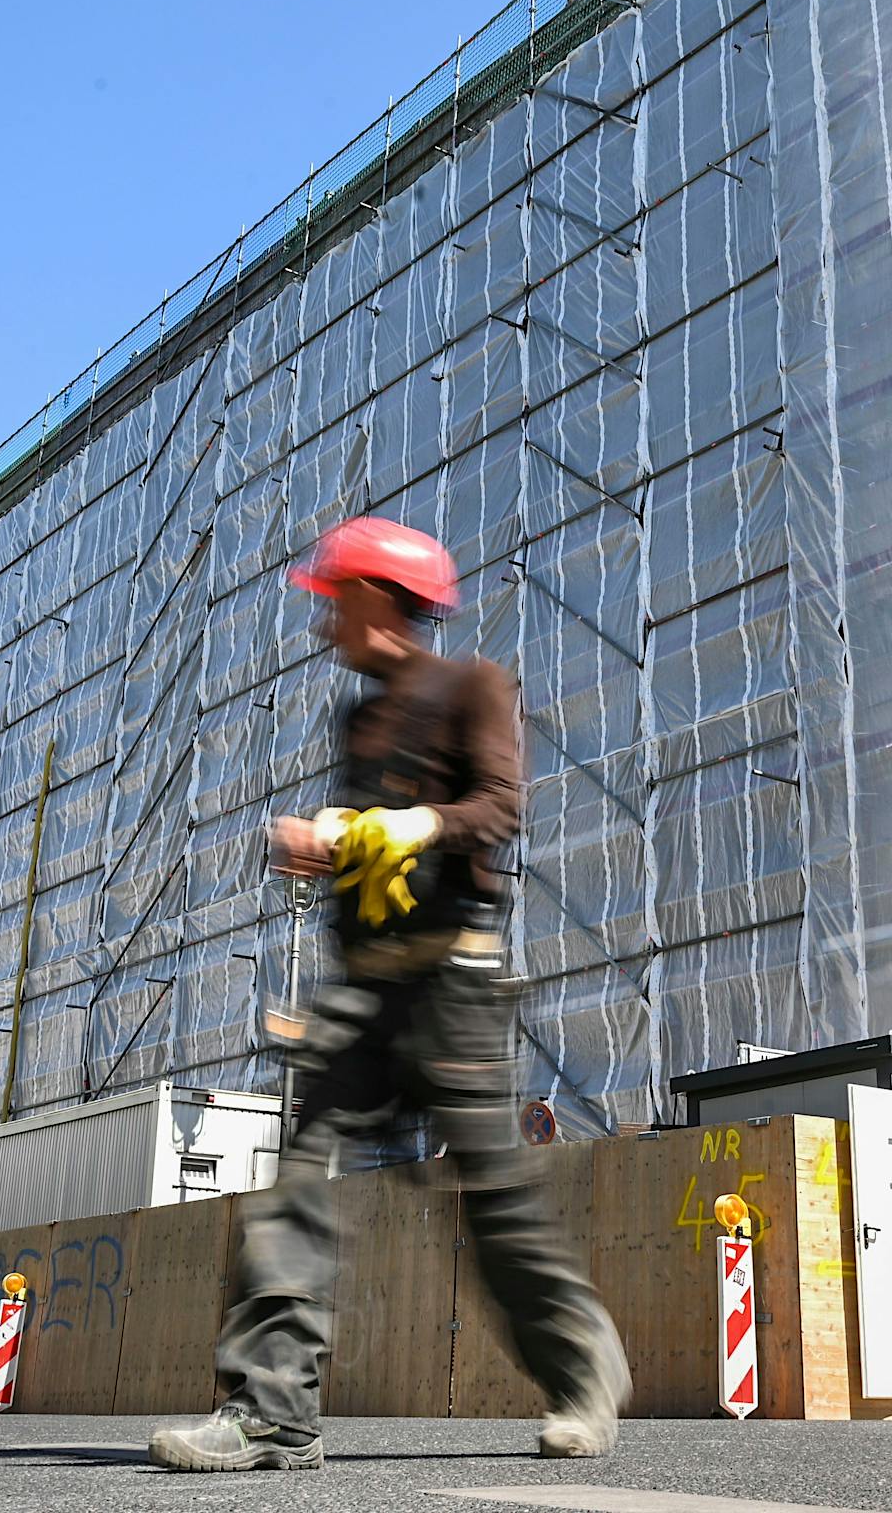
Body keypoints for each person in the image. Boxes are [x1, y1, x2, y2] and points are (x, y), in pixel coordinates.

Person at [149, 516, 630, 1473]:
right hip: (361, 997)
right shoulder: (360, 719)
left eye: (335, 597)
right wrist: (324, 843)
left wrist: (417, 820)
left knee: (493, 1200)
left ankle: (584, 1376)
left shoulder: (473, 688)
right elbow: (368, 852)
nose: (325, 618)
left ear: (376, 595)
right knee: (296, 1185)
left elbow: (501, 804)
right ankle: (271, 1415)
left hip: (453, 985)